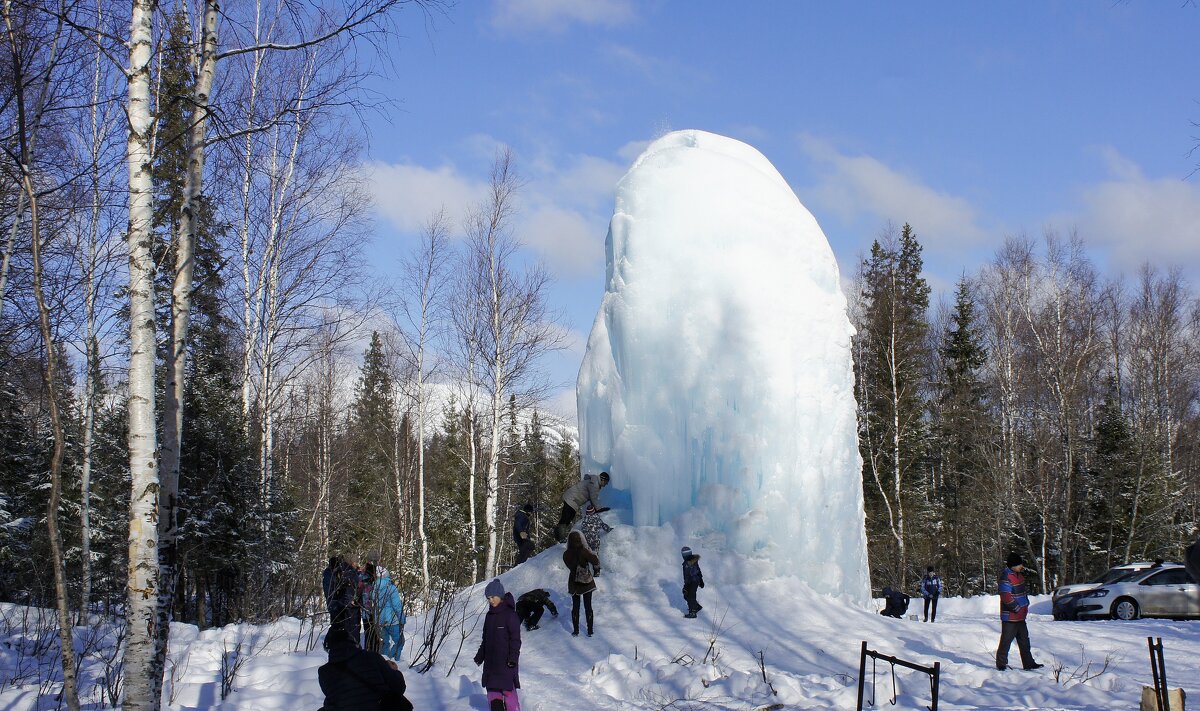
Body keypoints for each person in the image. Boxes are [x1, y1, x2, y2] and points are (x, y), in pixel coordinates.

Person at [317, 625, 413, 711]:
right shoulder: (372, 657)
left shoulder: (324, 672)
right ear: (352, 641)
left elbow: (334, 700)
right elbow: (399, 687)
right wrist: (393, 671)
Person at [474, 579, 522, 711]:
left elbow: (515, 640)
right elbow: (486, 639)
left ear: (500, 596)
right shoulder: (489, 616)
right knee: (493, 696)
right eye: (488, 598)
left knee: (509, 695)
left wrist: (513, 658)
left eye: (493, 597)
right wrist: (480, 655)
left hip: (506, 664)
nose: (491, 600)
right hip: (491, 664)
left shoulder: (510, 615)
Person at [996, 553, 1042, 671]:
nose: (1021, 566)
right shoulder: (1006, 577)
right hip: (1010, 616)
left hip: (1020, 616)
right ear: (1013, 566)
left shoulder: (1019, 575)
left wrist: (1024, 606)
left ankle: (1029, 663)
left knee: (1024, 641)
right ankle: (1001, 664)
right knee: (1006, 641)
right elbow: (1006, 596)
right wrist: (1016, 608)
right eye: (1019, 564)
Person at [563, 530, 599, 636]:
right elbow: (595, 561)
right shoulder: (584, 551)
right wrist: (591, 553)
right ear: (580, 539)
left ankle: (576, 631)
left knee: (575, 607)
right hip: (586, 582)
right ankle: (590, 631)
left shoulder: (566, 554)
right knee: (588, 607)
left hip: (574, 582)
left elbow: (570, 566)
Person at [555, 471, 609, 542]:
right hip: (571, 498)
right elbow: (593, 497)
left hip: (573, 501)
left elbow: (592, 498)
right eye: (606, 482)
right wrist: (599, 509)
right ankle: (560, 537)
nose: (606, 484)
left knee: (569, 518)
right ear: (602, 479)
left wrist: (596, 509)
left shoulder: (594, 482)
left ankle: (559, 534)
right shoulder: (594, 483)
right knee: (566, 518)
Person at [374, 566, 406, 659]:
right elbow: (397, 606)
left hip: (379, 621)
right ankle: (394, 661)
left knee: (385, 643)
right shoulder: (391, 588)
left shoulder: (374, 588)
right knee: (400, 642)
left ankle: (385, 661)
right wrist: (402, 620)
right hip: (392, 620)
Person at [360, 563, 381, 653]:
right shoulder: (377, 582)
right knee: (375, 634)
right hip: (375, 612)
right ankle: (374, 652)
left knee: (368, 633)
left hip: (366, 612)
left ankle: (368, 651)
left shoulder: (362, 581)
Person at [681, 546, 704, 619]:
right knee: (688, 595)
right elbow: (698, 570)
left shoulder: (687, 564)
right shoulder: (694, 560)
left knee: (690, 595)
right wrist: (700, 580)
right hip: (695, 580)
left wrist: (686, 586)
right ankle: (697, 606)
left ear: (683, 556)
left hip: (692, 581)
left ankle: (693, 612)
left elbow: (687, 576)